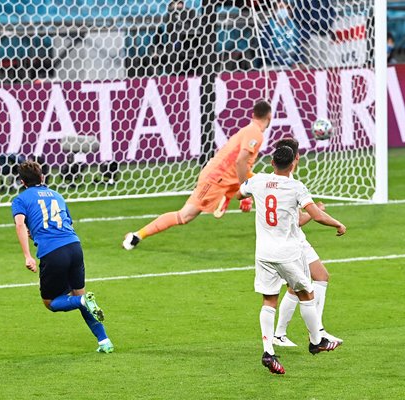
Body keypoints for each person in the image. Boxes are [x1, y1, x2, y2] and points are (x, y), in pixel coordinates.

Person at [236, 145, 346, 374]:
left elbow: (239, 193)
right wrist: (337, 223)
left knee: (269, 301)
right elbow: (315, 215)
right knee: (306, 293)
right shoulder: (296, 187)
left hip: (263, 253)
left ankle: (268, 352)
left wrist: (246, 199)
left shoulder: (257, 180)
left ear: (272, 162)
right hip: (288, 253)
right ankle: (317, 340)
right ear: (294, 163)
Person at [122, 101, 272, 250]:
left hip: (230, 175)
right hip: (217, 178)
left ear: (253, 115)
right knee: (184, 216)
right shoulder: (255, 133)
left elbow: (240, 164)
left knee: (270, 187)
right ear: (270, 116)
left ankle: (273, 235)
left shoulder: (250, 130)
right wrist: (245, 191)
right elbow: (240, 161)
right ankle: (137, 235)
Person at [12, 161, 114, 353]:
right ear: (42, 177)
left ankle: (82, 302)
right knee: (79, 293)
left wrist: (27, 256)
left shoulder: (20, 199)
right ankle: (104, 341)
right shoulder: (57, 195)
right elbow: (67, 222)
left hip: (53, 253)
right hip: (74, 246)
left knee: (51, 303)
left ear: (22, 181)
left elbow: (20, 225)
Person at [270, 138, 343, 347]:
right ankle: (316, 333)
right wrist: (317, 211)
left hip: (289, 240)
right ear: (296, 158)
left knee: (313, 280)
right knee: (311, 281)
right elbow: (300, 220)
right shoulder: (291, 183)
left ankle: (281, 334)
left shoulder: (277, 179)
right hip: (293, 243)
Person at [260, 1, 304, 68]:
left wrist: (299, 62)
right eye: (280, 7)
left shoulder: (295, 26)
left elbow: (300, 48)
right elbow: (267, 51)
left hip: (294, 64)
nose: (284, 10)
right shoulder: (267, 27)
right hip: (273, 65)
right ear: (274, 10)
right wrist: (288, 64)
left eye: (288, 8)